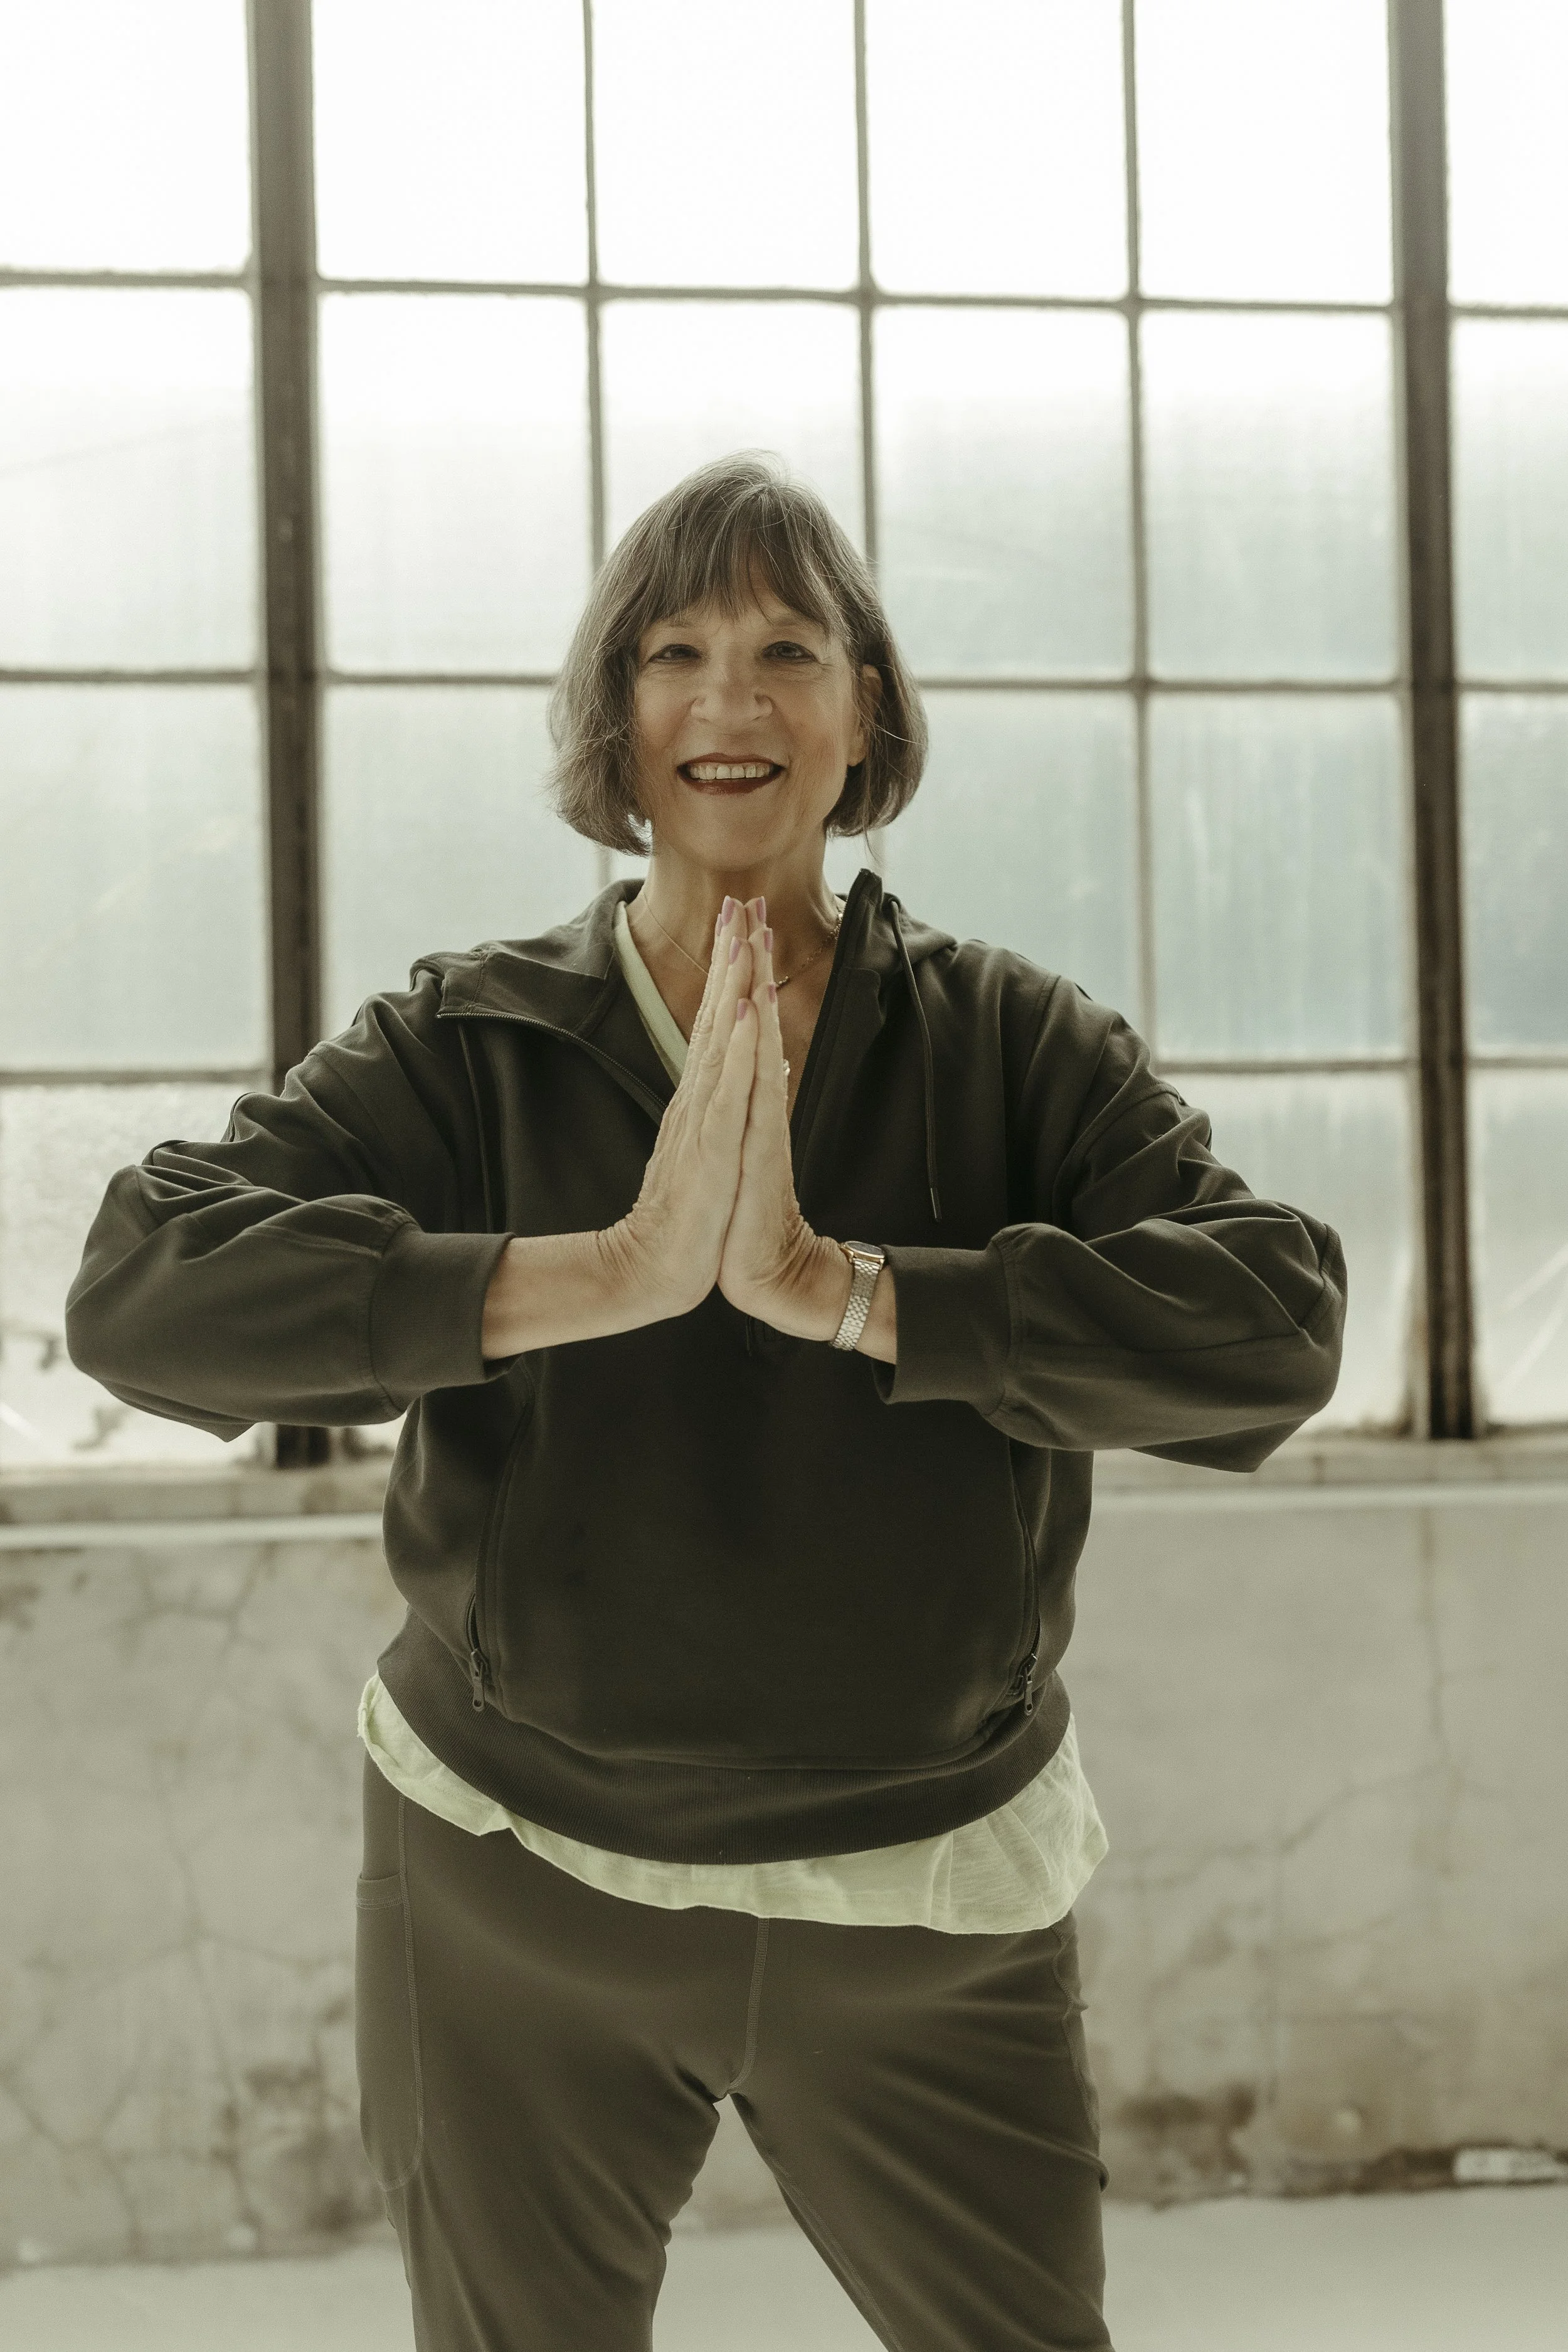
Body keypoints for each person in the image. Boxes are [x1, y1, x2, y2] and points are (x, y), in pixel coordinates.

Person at [66, 452, 1347, 2351]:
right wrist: (596, 1272)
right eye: (672, 651)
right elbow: (142, 1284)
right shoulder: (471, 1038)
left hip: (928, 1909)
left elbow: (1273, 1319)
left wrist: (859, 1296)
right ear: (614, 719)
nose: (728, 702)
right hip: (511, 1895)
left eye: (786, 647)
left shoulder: (1010, 1042)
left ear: (866, 715)